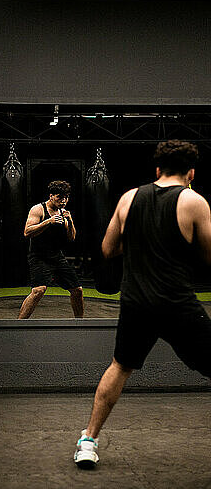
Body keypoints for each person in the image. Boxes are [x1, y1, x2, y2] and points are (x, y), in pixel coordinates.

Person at [74, 140, 211, 469]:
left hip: (136, 303)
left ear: (157, 169)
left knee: (120, 366)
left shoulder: (128, 198)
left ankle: (88, 441)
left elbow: (108, 248)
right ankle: (88, 439)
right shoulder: (194, 201)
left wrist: (142, 241)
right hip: (177, 305)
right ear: (191, 172)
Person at [18, 180, 83, 319]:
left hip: (57, 257)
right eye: (60, 197)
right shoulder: (38, 209)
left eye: (66, 197)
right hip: (39, 256)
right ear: (51, 195)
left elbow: (72, 238)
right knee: (38, 291)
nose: (64, 201)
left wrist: (70, 222)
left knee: (77, 290)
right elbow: (27, 232)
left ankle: (80, 324)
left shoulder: (63, 212)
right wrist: (48, 221)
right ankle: (18, 325)